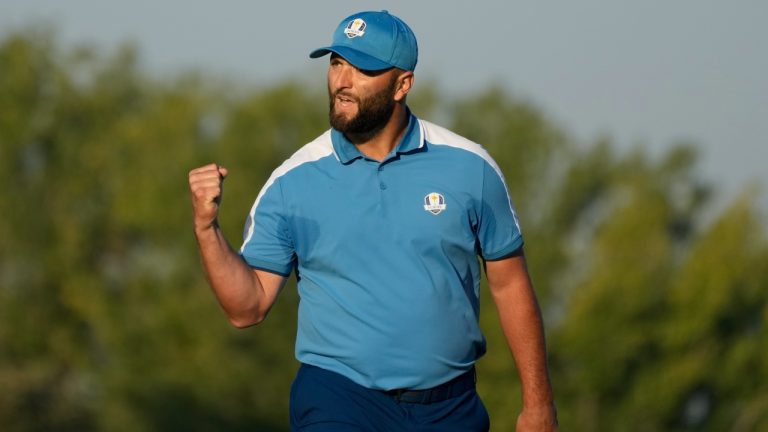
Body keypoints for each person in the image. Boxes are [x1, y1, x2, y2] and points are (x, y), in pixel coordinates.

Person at [189, 10, 558, 432]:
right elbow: (246, 307)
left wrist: (538, 403)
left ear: (402, 84)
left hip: (450, 406)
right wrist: (206, 229)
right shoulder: (292, 182)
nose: (342, 82)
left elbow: (510, 284)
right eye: (336, 64)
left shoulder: (470, 168)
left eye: (362, 69)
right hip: (338, 398)